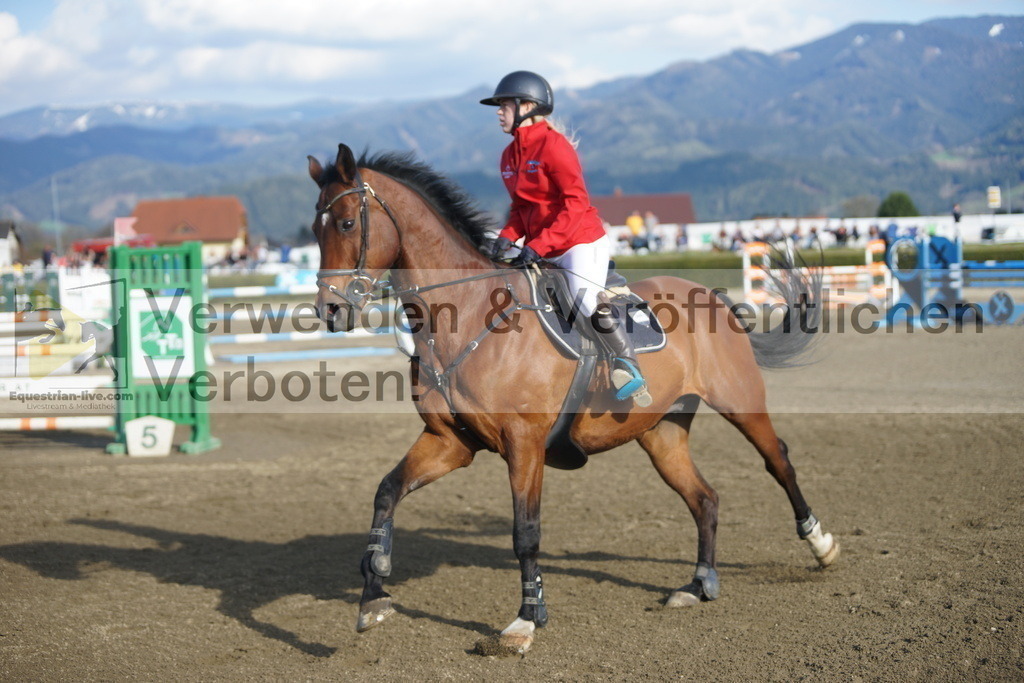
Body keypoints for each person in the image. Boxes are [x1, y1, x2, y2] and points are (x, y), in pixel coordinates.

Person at [480, 70, 651, 407]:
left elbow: (576, 205)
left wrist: (536, 246)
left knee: (584, 300)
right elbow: (519, 210)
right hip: (541, 245)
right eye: (498, 106)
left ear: (527, 106)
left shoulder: (555, 147)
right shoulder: (508, 157)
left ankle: (629, 366)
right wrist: (505, 239)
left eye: (504, 105)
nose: (499, 112)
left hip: (579, 242)